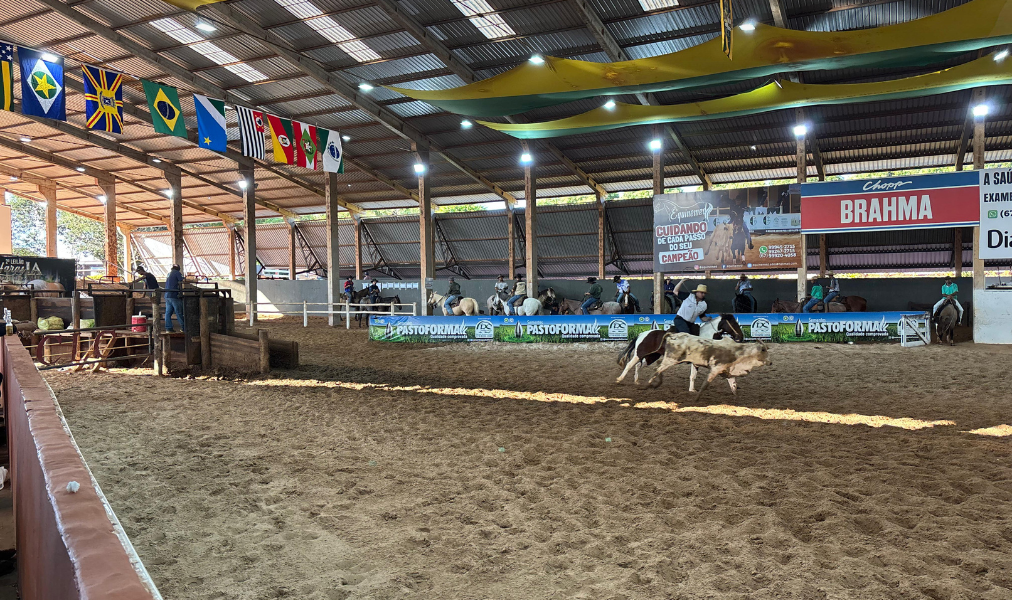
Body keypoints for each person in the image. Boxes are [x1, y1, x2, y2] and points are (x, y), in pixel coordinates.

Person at [164, 264, 185, 333]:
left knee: (168, 313)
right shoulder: (177, 273)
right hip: (174, 295)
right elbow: (182, 280)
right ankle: (183, 328)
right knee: (179, 312)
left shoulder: (169, 273)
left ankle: (168, 328)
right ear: (178, 269)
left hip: (167, 295)